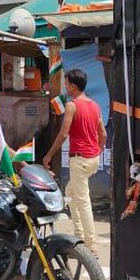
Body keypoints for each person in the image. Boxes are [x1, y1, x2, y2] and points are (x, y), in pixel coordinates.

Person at [42, 68, 106, 257]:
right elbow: (103, 134)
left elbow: (63, 134)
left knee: (83, 202)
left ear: (72, 85)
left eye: (67, 83)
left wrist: (48, 156)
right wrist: (98, 150)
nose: (65, 86)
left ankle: (91, 247)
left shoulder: (72, 105)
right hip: (93, 159)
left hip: (79, 160)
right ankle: (79, 235)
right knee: (70, 193)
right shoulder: (94, 105)